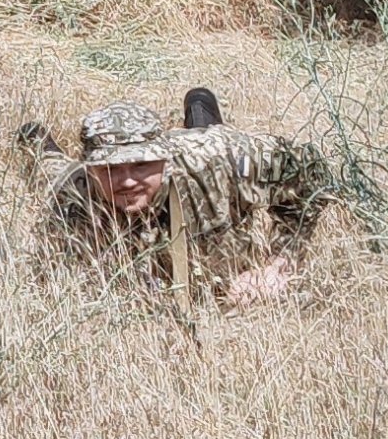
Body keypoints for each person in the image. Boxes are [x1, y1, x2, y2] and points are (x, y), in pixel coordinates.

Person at [20, 96, 330, 303]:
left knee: (207, 138)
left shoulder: (222, 159)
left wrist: (278, 267)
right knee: (48, 167)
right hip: (69, 175)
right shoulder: (75, 191)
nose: (127, 180)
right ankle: (35, 138)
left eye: (142, 164)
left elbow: (312, 172)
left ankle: (200, 105)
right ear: (91, 168)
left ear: (164, 159)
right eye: (110, 168)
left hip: (203, 155)